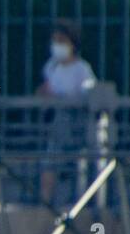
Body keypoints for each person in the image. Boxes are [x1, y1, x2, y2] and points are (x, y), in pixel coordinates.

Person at [36, 20, 97, 207]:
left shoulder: (82, 69)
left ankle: (80, 205)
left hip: (76, 125)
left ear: (72, 44)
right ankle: (45, 204)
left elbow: (89, 94)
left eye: (61, 40)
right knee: (49, 163)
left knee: (77, 167)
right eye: (54, 41)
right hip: (56, 124)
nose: (57, 45)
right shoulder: (51, 67)